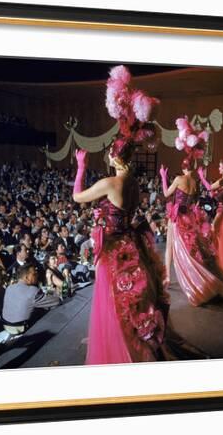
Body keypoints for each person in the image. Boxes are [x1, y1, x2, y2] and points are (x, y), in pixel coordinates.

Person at [72, 65, 184, 364]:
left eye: (109, 152)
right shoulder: (133, 182)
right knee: (132, 301)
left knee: (115, 302)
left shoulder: (111, 183)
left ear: (113, 155)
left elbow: (77, 196)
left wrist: (81, 166)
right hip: (131, 245)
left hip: (113, 249)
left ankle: (119, 350)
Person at [159, 116, 223, 306]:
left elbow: (166, 193)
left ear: (184, 168)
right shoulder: (195, 182)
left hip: (176, 218)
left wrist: (163, 177)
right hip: (189, 217)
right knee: (195, 249)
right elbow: (195, 201)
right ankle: (190, 275)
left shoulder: (179, 180)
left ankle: (170, 277)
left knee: (171, 248)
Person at [1, 263, 61, 337]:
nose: (37, 275)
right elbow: (55, 301)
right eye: (34, 274)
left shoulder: (9, 288)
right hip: (22, 328)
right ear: (27, 278)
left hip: (7, 326)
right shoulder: (32, 291)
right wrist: (50, 284)